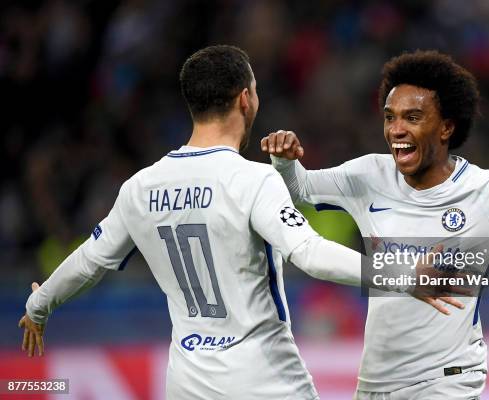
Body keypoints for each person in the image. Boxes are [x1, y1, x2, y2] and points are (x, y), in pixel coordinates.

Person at [17, 46, 463, 400]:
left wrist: (40, 307)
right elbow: (308, 253)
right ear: (245, 98)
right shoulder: (252, 179)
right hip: (263, 380)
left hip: (187, 383)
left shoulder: (140, 187)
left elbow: (90, 260)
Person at [261, 50, 489, 399]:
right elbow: (300, 189)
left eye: (413, 117)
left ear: (446, 126)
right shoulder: (368, 175)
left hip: (447, 380)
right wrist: (284, 162)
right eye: (390, 117)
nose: (397, 130)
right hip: (377, 381)